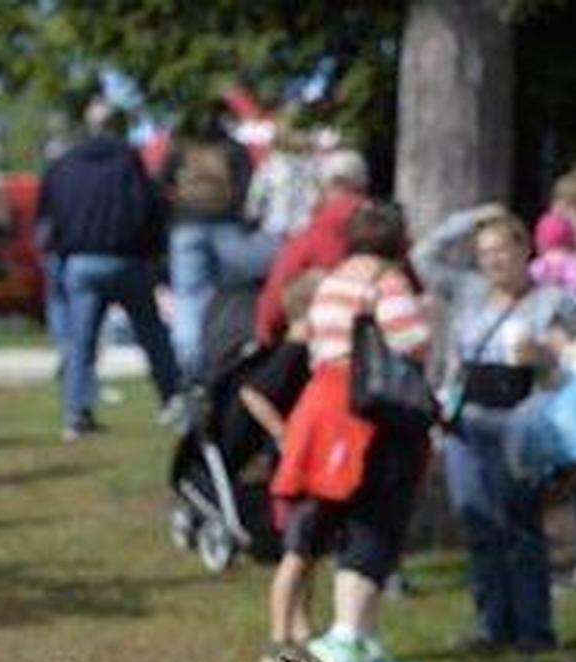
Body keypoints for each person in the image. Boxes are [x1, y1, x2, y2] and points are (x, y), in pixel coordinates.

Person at [269, 201, 432, 662]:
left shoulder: (331, 281)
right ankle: (347, 635)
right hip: (368, 412)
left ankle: (365, 638)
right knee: (375, 518)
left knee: (341, 515)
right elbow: (411, 340)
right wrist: (428, 317)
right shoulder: (387, 280)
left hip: (323, 402)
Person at [413, 205, 575, 655]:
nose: (494, 260)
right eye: (485, 252)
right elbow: (423, 257)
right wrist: (471, 218)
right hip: (466, 421)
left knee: (519, 524)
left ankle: (534, 629)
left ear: (524, 250)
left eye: (502, 249)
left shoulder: (552, 301)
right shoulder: (470, 291)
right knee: (477, 522)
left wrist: (544, 356)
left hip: (520, 423)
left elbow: (569, 363)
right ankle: (491, 625)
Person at [36, 98, 180, 439]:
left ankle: (76, 414)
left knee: (81, 344)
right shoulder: (130, 162)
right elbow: (149, 209)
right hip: (128, 259)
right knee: (152, 335)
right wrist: (154, 254)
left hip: (80, 261)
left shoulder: (65, 164)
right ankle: (173, 400)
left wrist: (61, 249)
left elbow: (48, 214)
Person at [161, 98, 274, 378]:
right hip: (226, 226)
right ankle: (221, 361)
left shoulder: (180, 149)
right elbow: (248, 191)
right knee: (228, 298)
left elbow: (163, 183)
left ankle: (191, 368)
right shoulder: (234, 149)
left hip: (186, 226)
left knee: (187, 298)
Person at [254, 149, 371, 346]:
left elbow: (279, 292)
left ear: (325, 186)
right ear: (364, 184)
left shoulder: (313, 235)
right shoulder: (387, 228)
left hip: (322, 342)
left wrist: (265, 330)